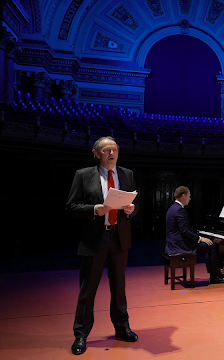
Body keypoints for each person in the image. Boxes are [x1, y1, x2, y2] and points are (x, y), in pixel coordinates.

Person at [65, 136, 139, 355]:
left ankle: (122, 327)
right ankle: (81, 335)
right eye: (107, 150)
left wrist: (131, 210)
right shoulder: (83, 175)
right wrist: (93, 209)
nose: (112, 153)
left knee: (119, 288)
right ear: (96, 153)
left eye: (114, 149)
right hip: (94, 239)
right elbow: (71, 206)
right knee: (88, 290)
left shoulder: (127, 174)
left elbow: (135, 204)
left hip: (119, 238)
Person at [165, 186, 224, 284]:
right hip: (180, 245)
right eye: (189, 196)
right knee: (212, 246)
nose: (190, 199)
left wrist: (201, 238)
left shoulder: (172, 208)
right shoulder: (179, 210)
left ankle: (214, 272)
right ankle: (215, 277)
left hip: (173, 243)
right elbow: (185, 232)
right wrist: (200, 238)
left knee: (208, 244)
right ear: (183, 196)